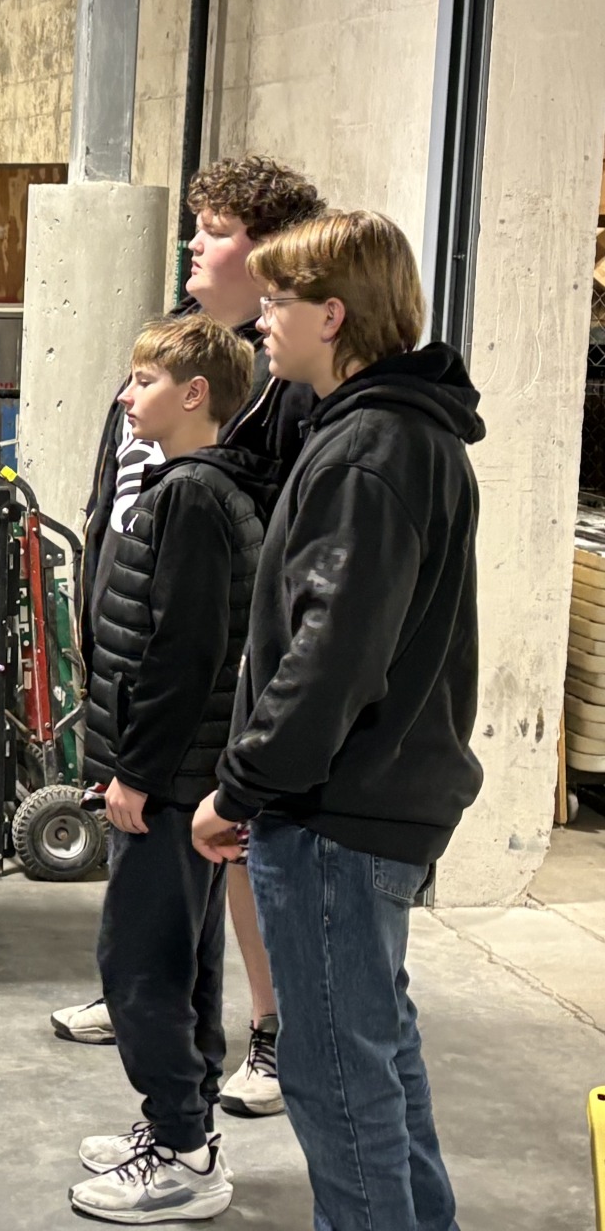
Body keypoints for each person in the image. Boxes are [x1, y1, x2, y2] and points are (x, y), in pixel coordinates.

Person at [194, 210, 483, 1231]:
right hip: (373, 801)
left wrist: (241, 786)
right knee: (378, 1055)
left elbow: (331, 657)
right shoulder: (401, 432)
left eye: (278, 301)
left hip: (337, 811)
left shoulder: (369, 448)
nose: (262, 320)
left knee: (336, 1080)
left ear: (333, 315)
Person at [54, 155, 326, 1120]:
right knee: (170, 896)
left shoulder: (285, 391)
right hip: (144, 645)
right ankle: (161, 1009)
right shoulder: (187, 352)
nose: (193, 247)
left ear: (269, 251)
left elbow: (251, 566)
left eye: (215, 233)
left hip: (213, 684)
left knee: (220, 857)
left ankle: (266, 1036)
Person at [68, 315, 264, 1223]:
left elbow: (185, 653)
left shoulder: (191, 497)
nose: (125, 395)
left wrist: (136, 774)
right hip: (184, 777)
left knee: (139, 968)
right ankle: (181, 1126)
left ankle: (184, 1155)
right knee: (186, 965)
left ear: (195, 394)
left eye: (143, 381)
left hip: (171, 780)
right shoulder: (198, 488)